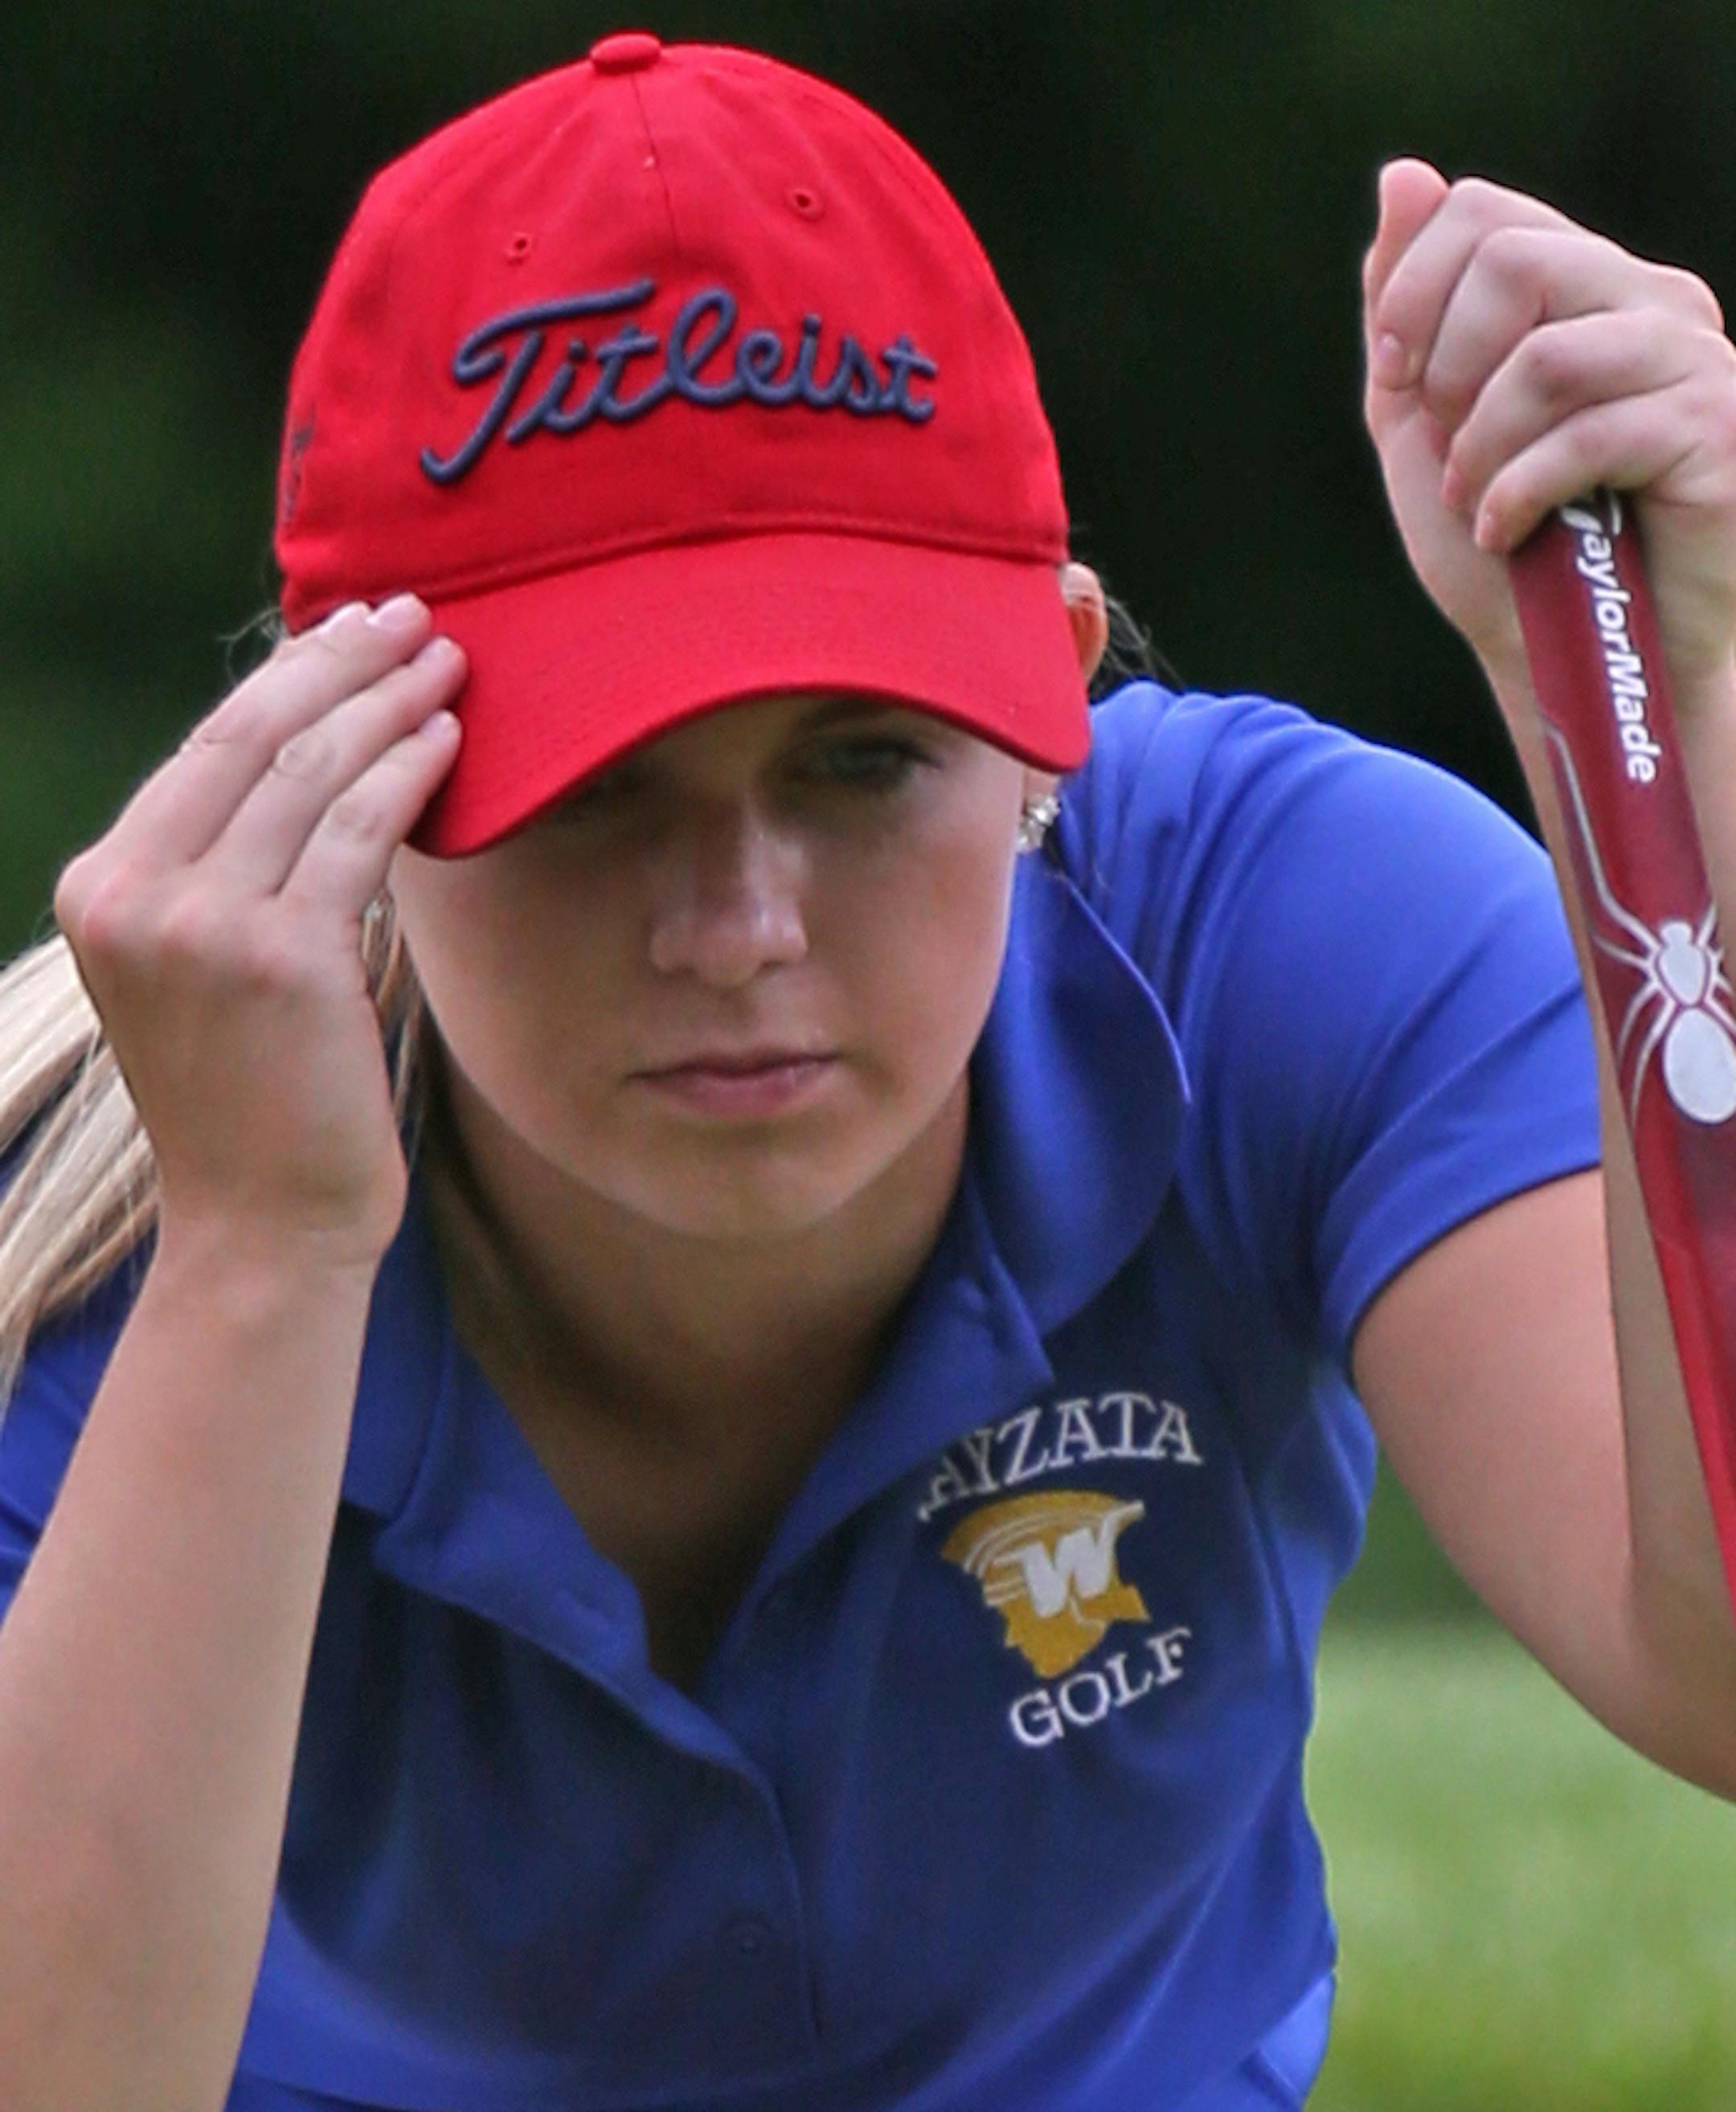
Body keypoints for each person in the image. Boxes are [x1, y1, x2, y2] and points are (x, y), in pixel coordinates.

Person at [2, 29, 1734, 2112]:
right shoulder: (113, 1206)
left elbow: (1712, 1663)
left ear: (1052, 711)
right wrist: (263, 1254)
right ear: (346, 773)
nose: (737, 922)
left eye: (862, 758)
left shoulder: (1280, 930)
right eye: (588, 788)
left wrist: (1677, 726)